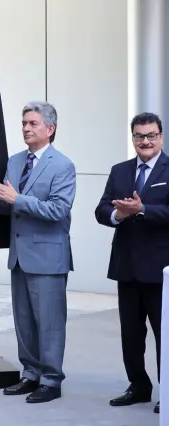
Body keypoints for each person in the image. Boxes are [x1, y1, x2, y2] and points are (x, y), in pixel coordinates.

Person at [0, 101, 76, 403]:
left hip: (48, 258)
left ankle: (51, 380)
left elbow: (58, 211)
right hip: (20, 256)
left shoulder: (62, 165)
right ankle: (30, 374)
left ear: (50, 129)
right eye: (24, 122)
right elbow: (9, 206)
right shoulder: (14, 161)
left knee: (48, 323)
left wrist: (15, 198)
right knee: (24, 321)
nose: (26, 128)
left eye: (33, 123)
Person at [94, 112, 168, 415]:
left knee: (164, 336)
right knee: (131, 334)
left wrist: (143, 209)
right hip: (126, 267)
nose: (145, 141)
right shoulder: (120, 170)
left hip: (161, 268)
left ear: (161, 137)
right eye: (139, 136)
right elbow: (101, 210)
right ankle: (138, 386)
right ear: (133, 138)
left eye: (151, 135)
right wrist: (118, 215)